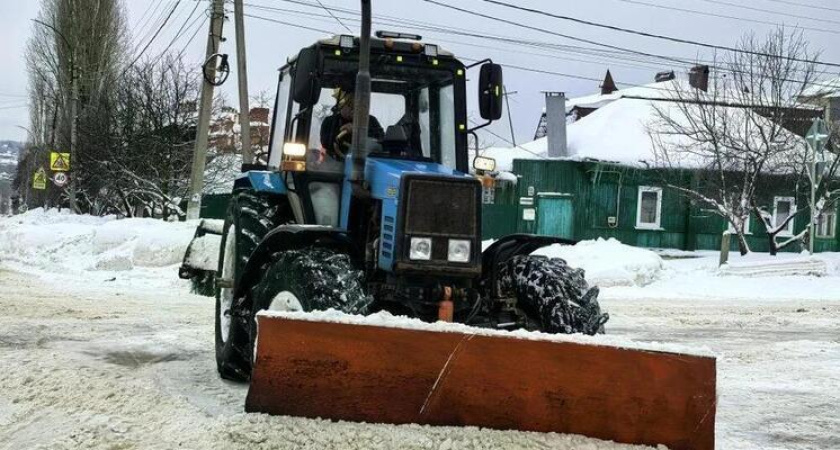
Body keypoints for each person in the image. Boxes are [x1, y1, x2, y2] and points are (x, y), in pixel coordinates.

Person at [319, 88, 384, 162]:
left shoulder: (371, 120)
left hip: (365, 162)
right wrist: (341, 132)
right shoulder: (330, 121)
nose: (354, 108)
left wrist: (358, 131)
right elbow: (325, 143)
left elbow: (380, 139)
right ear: (341, 105)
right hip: (336, 163)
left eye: (357, 105)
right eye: (350, 105)